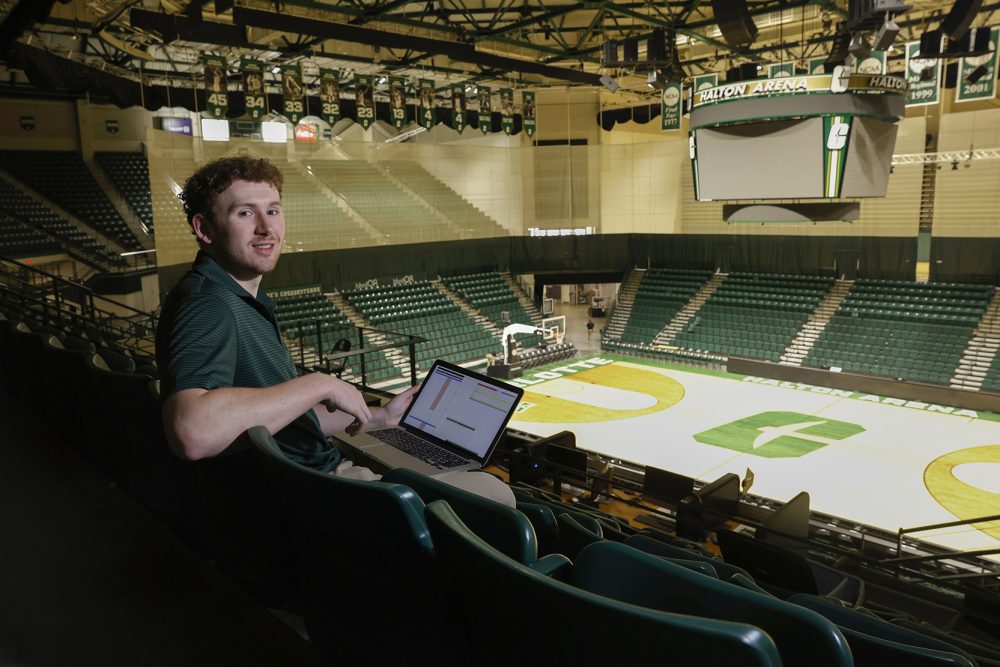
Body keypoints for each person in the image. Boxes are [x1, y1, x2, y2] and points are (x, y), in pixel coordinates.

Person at [157, 155, 512, 503]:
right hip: (314, 491)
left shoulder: (237, 297)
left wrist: (378, 417)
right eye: (245, 212)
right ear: (204, 229)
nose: (266, 227)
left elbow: (277, 419)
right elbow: (192, 432)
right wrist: (319, 384)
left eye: (274, 210)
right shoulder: (208, 304)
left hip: (303, 478)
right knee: (497, 495)